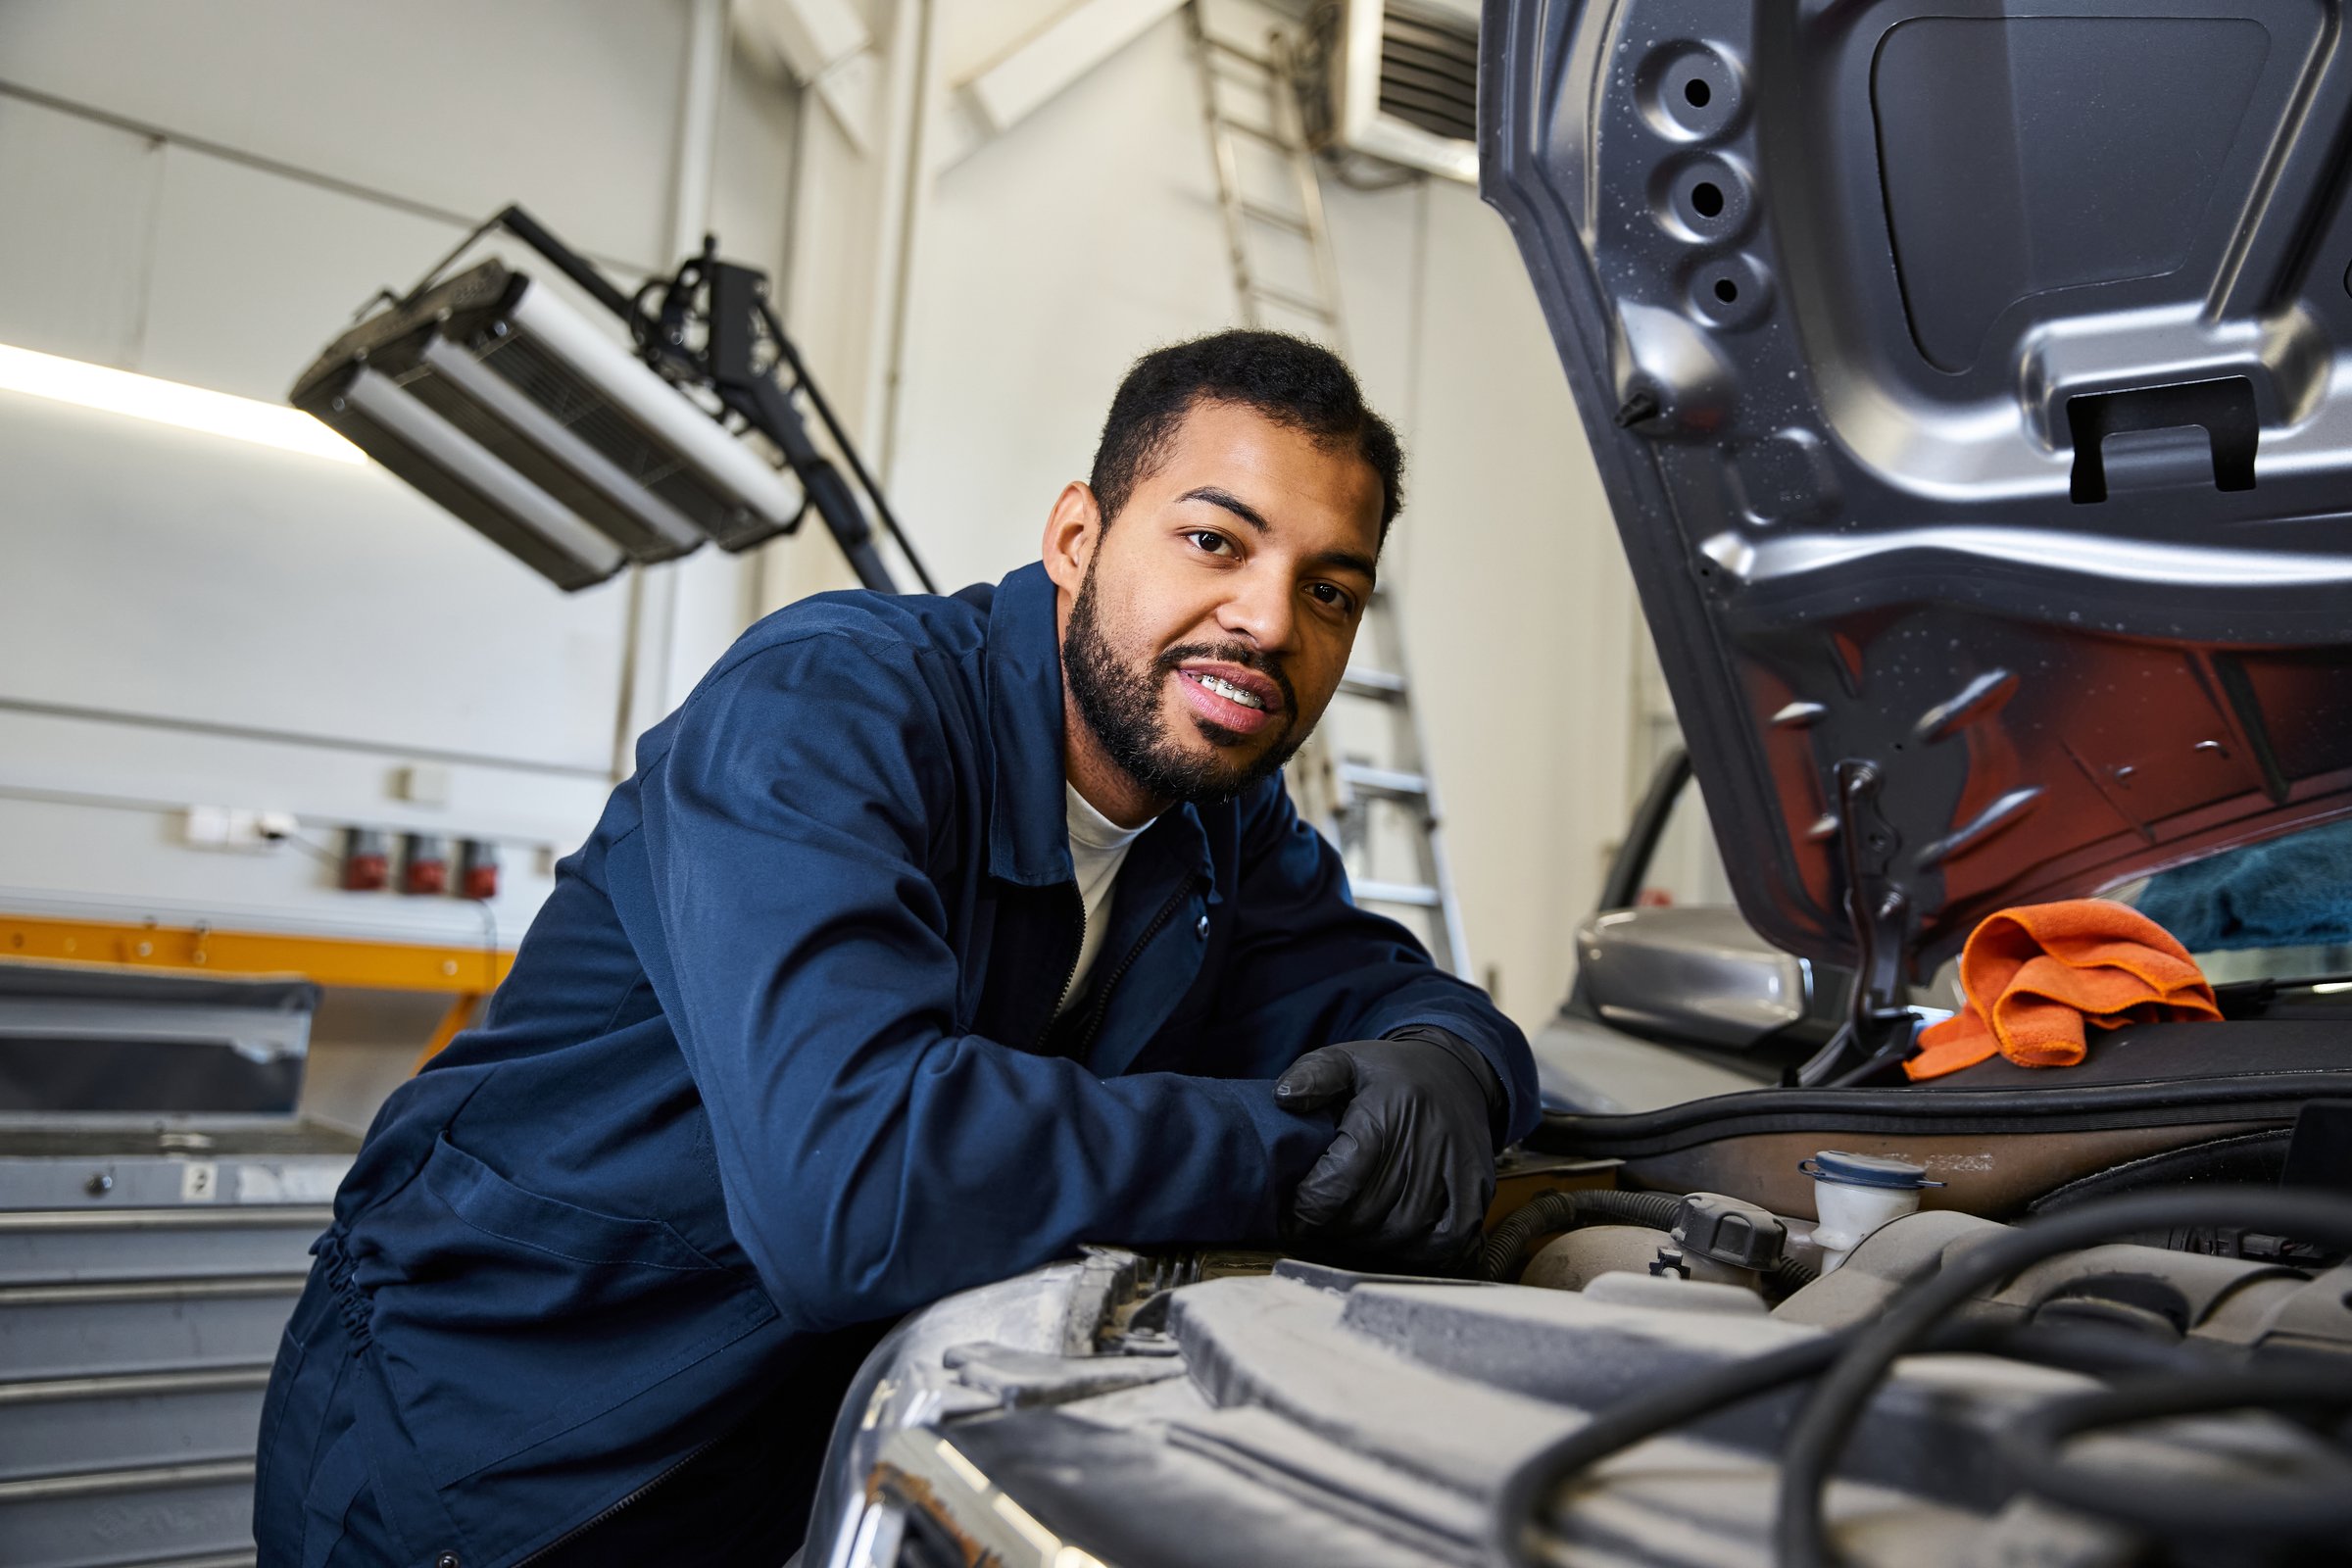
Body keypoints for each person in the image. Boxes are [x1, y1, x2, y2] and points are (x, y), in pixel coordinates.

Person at [253, 329, 1538, 1566]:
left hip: (775, 1467)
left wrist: (1455, 1062)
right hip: (492, 1446)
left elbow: (1390, 994)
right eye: (1214, 541)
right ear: (1077, 539)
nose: (1268, 622)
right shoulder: (826, 710)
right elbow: (854, 1189)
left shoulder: (1221, 826)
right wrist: (1301, 1150)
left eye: (1330, 591)